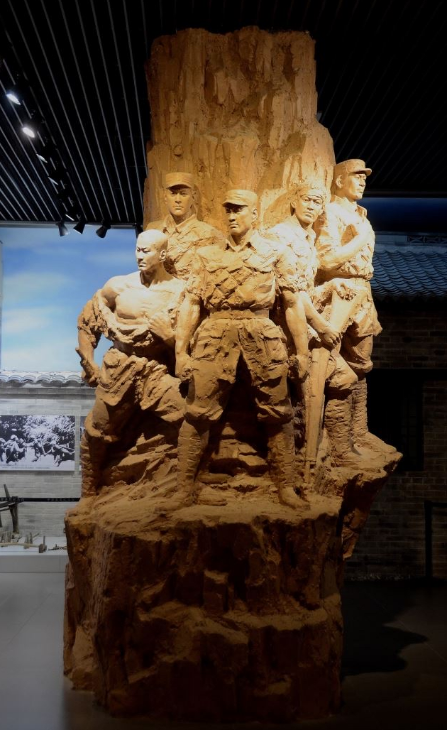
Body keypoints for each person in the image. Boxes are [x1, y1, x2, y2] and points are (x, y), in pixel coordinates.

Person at [175, 189, 339, 508]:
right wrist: (181, 351)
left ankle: (285, 487)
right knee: (197, 413)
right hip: (214, 334)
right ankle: (184, 489)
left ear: (254, 214)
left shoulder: (275, 252)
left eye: (239, 210)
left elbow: (292, 304)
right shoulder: (206, 255)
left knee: (278, 412)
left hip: (262, 333)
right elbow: (191, 304)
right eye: (228, 210)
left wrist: (301, 351)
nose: (232, 216)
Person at [77, 230, 186, 496]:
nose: (139, 256)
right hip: (119, 367)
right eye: (137, 249)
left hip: (155, 369)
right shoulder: (118, 286)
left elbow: (190, 340)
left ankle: (184, 488)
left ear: (162, 255)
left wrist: (169, 337)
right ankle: (89, 491)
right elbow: (87, 321)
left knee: (189, 418)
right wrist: (88, 362)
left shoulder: (180, 292)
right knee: (96, 430)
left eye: (146, 251)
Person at [314, 159, 395, 460]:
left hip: (363, 291)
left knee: (361, 365)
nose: (362, 182)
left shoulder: (362, 215)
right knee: (333, 368)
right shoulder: (330, 213)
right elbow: (326, 261)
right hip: (338, 291)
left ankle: (358, 432)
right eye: (356, 176)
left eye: (364, 178)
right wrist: (360, 240)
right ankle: (336, 443)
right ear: (339, 181)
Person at [145, 172, 226, 280]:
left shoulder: (210, 234)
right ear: (165, 197)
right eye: (173, 194)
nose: (178, 200)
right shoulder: (152, 230)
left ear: (193, 197)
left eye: (183, 194)